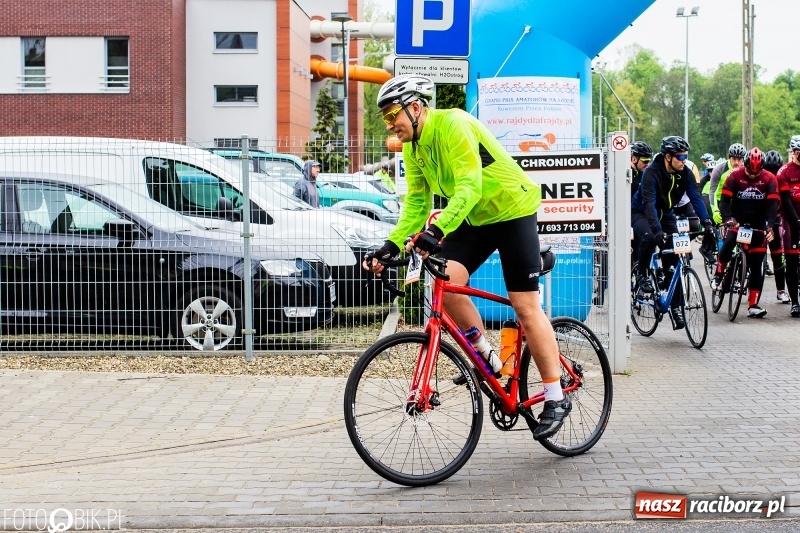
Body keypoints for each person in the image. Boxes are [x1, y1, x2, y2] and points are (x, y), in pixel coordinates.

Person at [362, 74, 569, 440]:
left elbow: (470, 185)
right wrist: (391, 244)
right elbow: (417, 205)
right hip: (475, 216)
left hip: (511, 209)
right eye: (384, 117)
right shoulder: (414, 147)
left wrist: (438, 232)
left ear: (415, 107)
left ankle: (555, 396)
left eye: (392, 113)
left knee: (524, 306)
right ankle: (486, 355)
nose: (390, 123)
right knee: (448, 280)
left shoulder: (454, 124)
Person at [631, 135, 714, 330]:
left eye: (686, 157)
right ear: (668, 157)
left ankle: (675, 308)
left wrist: (707, 222)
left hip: (666, 214)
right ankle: (642, 274)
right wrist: (658, 230)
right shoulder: (651, 172)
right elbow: (649, 204)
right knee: (650, 237)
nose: (684, 160)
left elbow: (695, 197)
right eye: (680, 157)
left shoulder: (684, 173)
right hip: (641, 212)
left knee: (675, 260)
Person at [711, 147, 779, 318]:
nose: (753, 175)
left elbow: (772, 207)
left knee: (757, 264)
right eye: (749, 171)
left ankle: (753, 304)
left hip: (757, 223)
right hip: (737, 219)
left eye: (757, 173)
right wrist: (728, 220)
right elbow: (725, 202)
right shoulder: (734, 175)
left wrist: (770, 226)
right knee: (729, 242)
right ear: (745, 166)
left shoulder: (769, 179)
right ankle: (719, 274)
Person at [776, 138, 800, 316]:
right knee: (792, 262)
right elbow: (785, 201)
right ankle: (795, 302)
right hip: (790, 220)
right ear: (794, 152)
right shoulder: (784, 172)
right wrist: (797, 223)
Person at [762, 150, 790, 303]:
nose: (772, 174)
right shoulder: (761, 178)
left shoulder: (781, 177)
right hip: (760, 216)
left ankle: (781, 290)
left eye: (775, 169)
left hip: (777, 216)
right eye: (769, 170)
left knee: (777, 255)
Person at [709, 143, 747, 224]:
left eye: (739, 159)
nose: (736, 162)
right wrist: (715, 211)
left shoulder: (746, 169)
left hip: (737, 203)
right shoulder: (719, 169)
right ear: (729, 158)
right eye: (733, 159)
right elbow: (712, 191)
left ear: (743, 160)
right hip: (721, 202)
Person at [629, 141, 653, 267]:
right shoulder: (622, 174)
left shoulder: (645, 174)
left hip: (638, 216)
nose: (647, 164)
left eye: (649, 160)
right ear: (634, 159)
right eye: (644, 160)